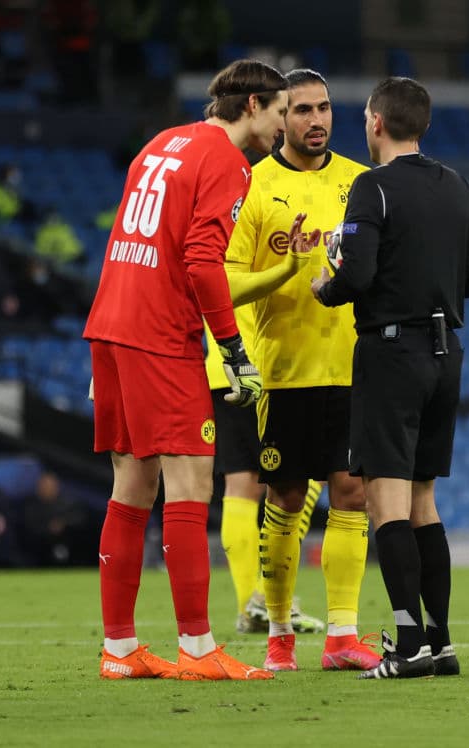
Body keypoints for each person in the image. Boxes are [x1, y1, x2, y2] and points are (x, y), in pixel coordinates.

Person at [82, 59, 297, 682]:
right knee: (191, 480)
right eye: (282, 112)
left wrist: (110, 345)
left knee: (132, 485)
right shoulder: (227, 163)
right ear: (253, 105)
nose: (285, 127)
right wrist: (231, 349)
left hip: (112, 324)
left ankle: (120, 651)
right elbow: (203, 263)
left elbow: (128, 236)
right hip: (158, 333)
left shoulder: (160, 144)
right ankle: (198, 648)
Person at [311, 76, 469, 679]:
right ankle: (440, 643)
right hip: (448, 356)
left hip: (392, 353)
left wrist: (325, 286)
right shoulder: (459, 186)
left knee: (384, 500)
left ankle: (408, 643)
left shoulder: (372, 187)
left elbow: (356, 277)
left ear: (377, 123)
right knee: (424, 502)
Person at [224, 69, 380, 673]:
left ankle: (342, 636)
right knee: (286, 498)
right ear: (279, 116)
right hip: (285, 371)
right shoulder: (254, 184)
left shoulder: (361, 183)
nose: (316, 120)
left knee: (352, 492)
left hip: (350, 367)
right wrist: (282, 274)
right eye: (302, 110)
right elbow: (227, 277)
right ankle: (281, 633)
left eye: (324, 109)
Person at [204, 310, 324, 635]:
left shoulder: (211, 255)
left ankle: (250, 606)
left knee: (240, 486)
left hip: (223, 366)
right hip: (267, 364)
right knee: (307, 474)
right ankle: (266, 599)